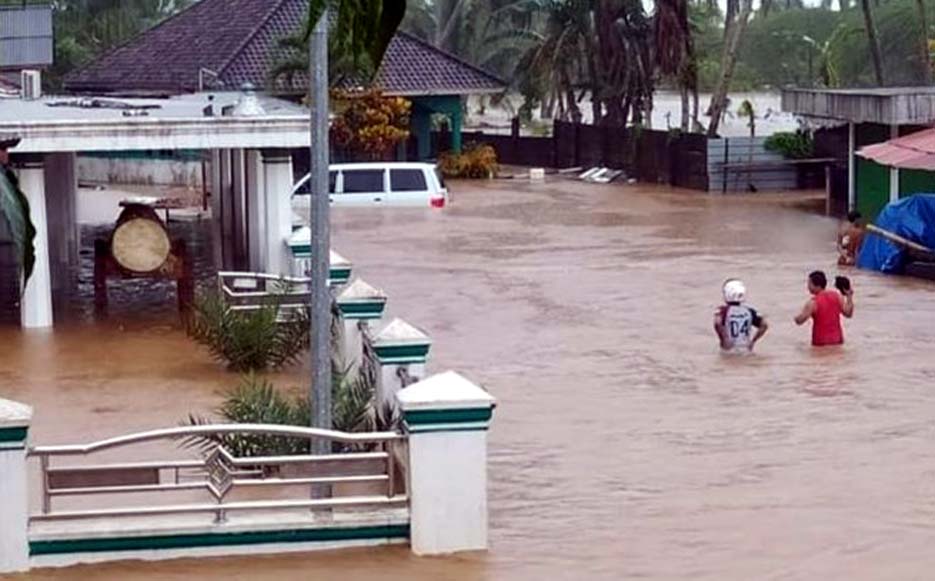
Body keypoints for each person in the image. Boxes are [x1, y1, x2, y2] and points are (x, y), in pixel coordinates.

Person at [794, 270, 854, 346]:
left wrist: (795, 318)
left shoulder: (812, 303)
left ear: (816, 285)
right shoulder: (837, 297)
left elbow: (800, 321)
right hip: (837, 341)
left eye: (809, 283)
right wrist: (849, 296)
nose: (808, 286)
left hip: (820, 344)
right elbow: (848, 314)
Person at [714, 278, 769, 352]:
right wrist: (753, 341)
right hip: (745, 348)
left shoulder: (723, 310)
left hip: (729, 349)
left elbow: (717, 322)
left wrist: (725, 338)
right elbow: (764, 325)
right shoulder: (749, 311)